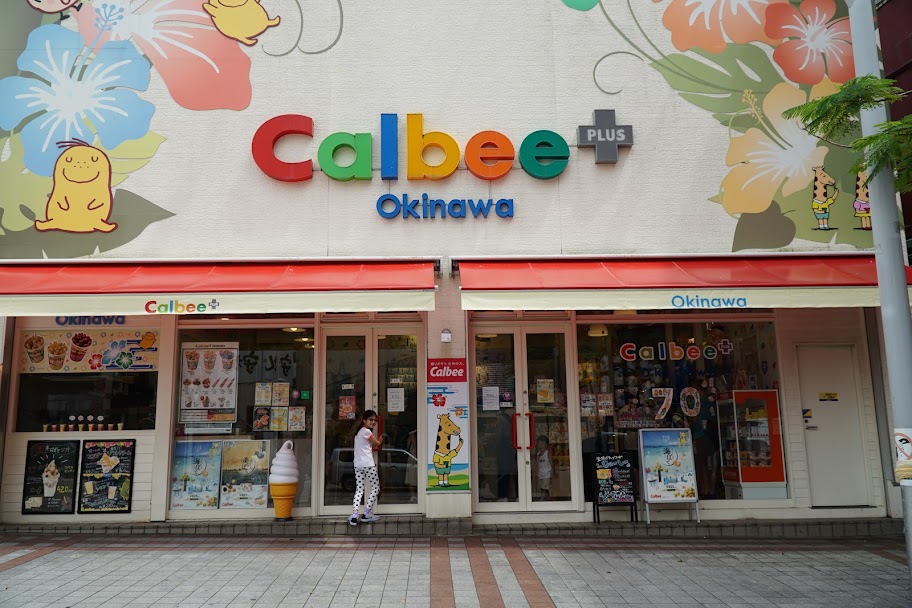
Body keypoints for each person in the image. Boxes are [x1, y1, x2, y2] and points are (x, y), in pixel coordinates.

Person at [350, 410, 383, 526]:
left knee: (359, 489)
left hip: (358, 464)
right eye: (370, 420)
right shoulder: (367, 431)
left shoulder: (359, 432)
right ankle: (366, 513)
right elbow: (377, 443)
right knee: (376, 487)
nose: (373, 422)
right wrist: (381, 438)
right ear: (364, 420)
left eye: (375, 420)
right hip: (368, 464)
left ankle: (354, 515)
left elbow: (367, 446)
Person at [535, 435, 552, 501]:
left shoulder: (547, 453)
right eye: (539, 444)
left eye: (542, 444)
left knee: (544, 487)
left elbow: (551, 463)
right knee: (543, 487)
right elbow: (537, 463)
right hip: (540, 474)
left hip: (547, 474)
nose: (540, 446)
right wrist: (535, 471)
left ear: (546, 445)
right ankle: (548, 498)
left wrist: (553, 472)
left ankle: (542, 499)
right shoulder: (538, 454)